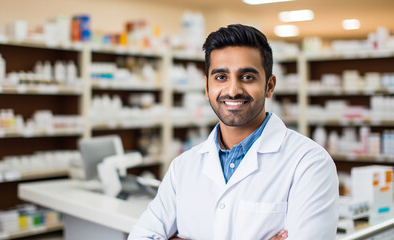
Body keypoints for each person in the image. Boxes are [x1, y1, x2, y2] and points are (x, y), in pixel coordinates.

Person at [128, 24, 339, 240]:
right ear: (207, 87)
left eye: (247, 77)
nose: (232, 90)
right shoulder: (182, 167)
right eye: (221, 77)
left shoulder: (309, 163)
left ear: (269, 86)